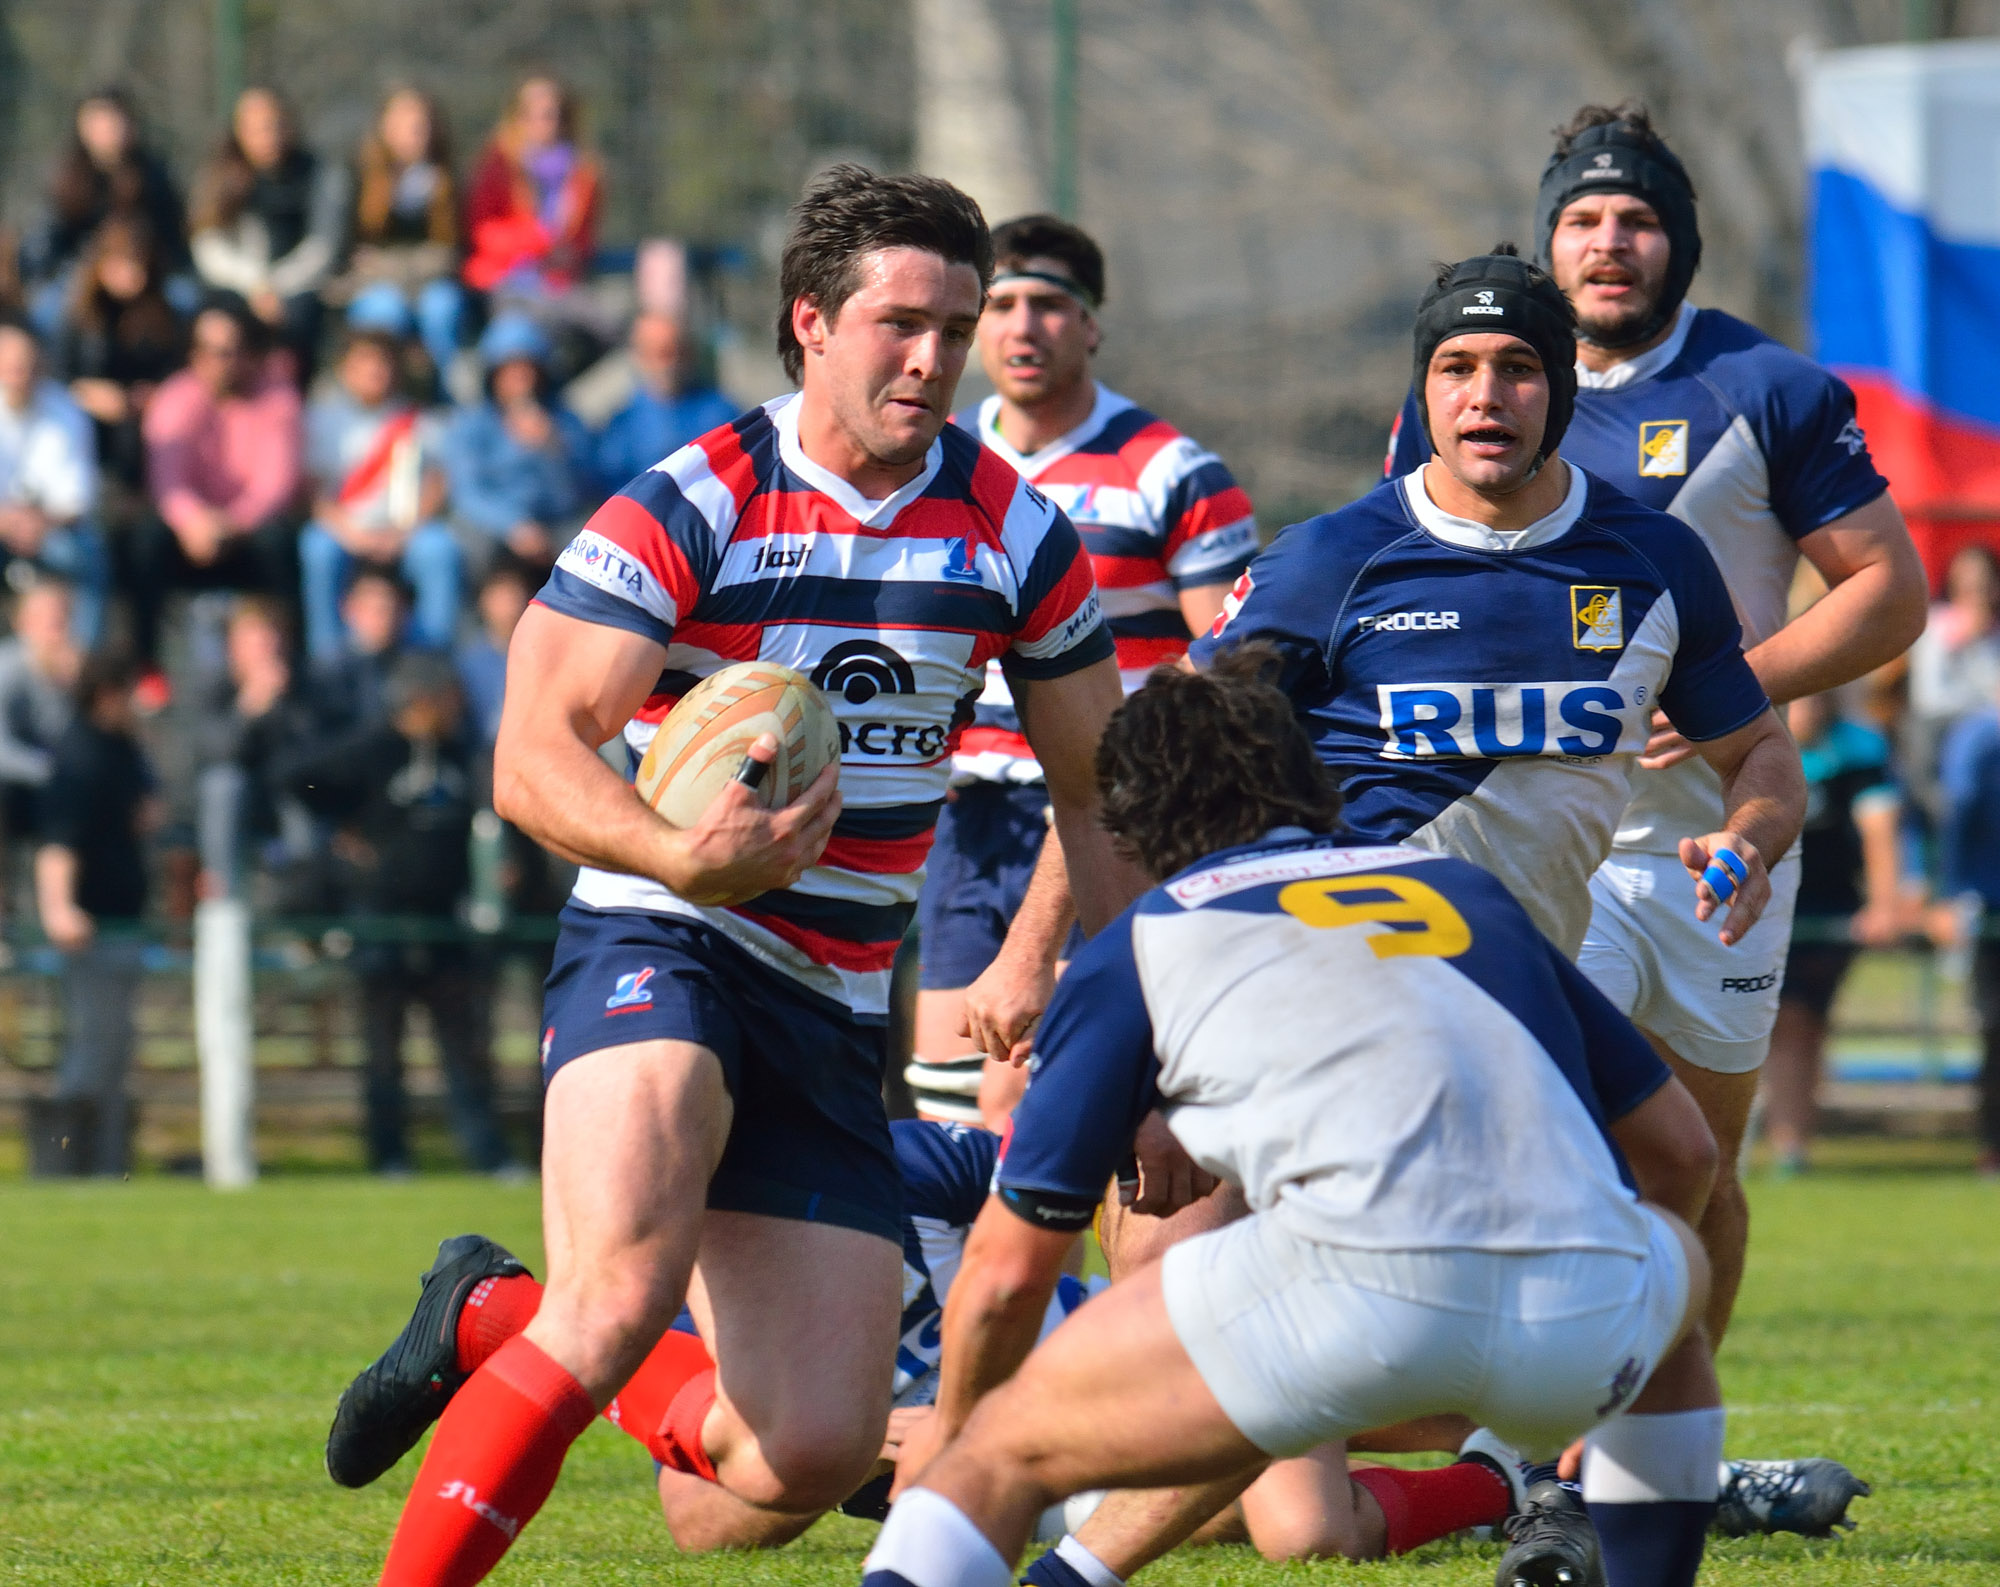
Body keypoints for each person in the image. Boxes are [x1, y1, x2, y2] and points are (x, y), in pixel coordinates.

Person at [363, 163, 1135, 1587]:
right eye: (901, 320)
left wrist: (1132, 1015)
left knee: (806, 1455)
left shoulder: (1014, 529)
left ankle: (491, 1316)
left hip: (838, 1007)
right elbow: (535, 751)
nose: (932, 356)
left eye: (952, 328)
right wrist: (678, 853)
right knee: (618, 1295)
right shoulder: (698, 498)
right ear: (811, 323)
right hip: (663, 939)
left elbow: (1099, 791)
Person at [1041, 248, 1803, 1585]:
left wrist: (1744, 837)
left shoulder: (1652, 559)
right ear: (1424, 388)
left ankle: (1546, 1473)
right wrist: (1144, 1030)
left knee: (1673, 1180)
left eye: (1516, 367)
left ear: (1563, 391)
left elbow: (1767, 762)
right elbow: (1167, 769)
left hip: (1513, 1018)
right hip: (1308, 1005)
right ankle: (928, 1465)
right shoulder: (1334, 557)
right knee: (1181, 1427)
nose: (1484, 393)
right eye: (1456, 367)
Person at [866, 651, 1725, 1587]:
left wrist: (950, 1436)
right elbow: (1682, 1151)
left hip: (1356, 1303)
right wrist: (1625, 1307)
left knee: (993, 1452)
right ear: (1311, 778)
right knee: (1670, 1300)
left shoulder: (1142, 943)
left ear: (1128, 821)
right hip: (1582, 1308)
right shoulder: (1469, 894)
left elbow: (1004, 1271)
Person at [1385, 108, 1925, 1359]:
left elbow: (1884, 587)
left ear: (1678, 245)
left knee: (1698, 1167)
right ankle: (1518, 1446)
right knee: (1542, 1142)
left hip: (1719, 845)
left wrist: (1726, 682)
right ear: (1547, 242)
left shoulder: (1766, 388)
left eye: (1636, 222)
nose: (1607, 243)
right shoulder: (1472, 378)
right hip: (1534, 843)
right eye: (1581, 220)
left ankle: (1662, 1449)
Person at [325, 1121, 1099, 1541]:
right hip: (980, 1461)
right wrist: (861, 1448)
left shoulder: (904, 1164)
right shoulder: (710, 1269)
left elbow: (1079, 1166)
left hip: (1074, 1368)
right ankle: (499, 1310)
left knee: (1212, 1473)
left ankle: (498, 1310)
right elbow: (694, 1518)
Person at [910, 214, 1258, 1127]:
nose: (1025, 328)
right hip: (964, 819)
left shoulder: (1174, 471)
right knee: (946, 1106)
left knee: (1035, 1099)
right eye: (1005, 304)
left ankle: (1080, 1275)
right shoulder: (932, 460)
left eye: (1052, 306)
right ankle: (1021, 1279)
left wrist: (1138, 774)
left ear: (1093, 324)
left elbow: (1228, 664)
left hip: (1098, 817)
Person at [281, 651, 515, 1177]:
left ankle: (486, 1153)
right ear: (420, 701)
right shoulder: (373, 749)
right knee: (383, 1052)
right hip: (381, 922)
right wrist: (342, 831)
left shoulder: (463, 754)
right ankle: (389, 1156)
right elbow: (297, 777)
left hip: (446, 924)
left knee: (465, 1048)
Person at [1762, 693, 1902, 1174]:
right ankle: (1783, 1139)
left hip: (1828, 907)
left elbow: (1880, 829)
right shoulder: (1752, 740)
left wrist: (1884, 904)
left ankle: (1791, 1144)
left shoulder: (1858, 751)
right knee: (1784, 1023)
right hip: (1764, 902)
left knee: (1802, 1021)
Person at [35, 649, 159, 1176]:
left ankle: (108, 1166)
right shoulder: (80, 753)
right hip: (92, 927)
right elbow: (59, 841)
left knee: (114, 1051)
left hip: (122, 919)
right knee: (92, 1048)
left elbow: (146, 813)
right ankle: (62, 1164)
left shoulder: (122, 748)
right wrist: (59, 907)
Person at [131, 297, 304, 677]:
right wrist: (195, 523)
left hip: (246, 532)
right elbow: (167, 482)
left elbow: (275, 485)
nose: (215, 361)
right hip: (190, 534)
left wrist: (231, 524)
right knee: (144, 541)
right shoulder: (176, 397)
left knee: (281, 542)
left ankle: (291, 665)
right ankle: (147, 668)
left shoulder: (278, 399)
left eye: (227, 351)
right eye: (205, 350)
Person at [298, 322, 460, 658]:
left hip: (404, 529)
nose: (375, 371)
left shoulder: (418, 420)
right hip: (345, 529)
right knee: (318, 548)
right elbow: (312, 491)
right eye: (364, 362)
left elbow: (437, 482)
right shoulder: (322, 418)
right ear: (346, 368)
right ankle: (327, 655)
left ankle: (432, 655)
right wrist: (351, 533)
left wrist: (403, 532)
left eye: (382, 362)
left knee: (439, 549)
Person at [189, 87, 350, 383]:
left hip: (297, 287)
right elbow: (208, 244)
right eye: (258, 129)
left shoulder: (319, 174)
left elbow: (323, 245)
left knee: (299, 326)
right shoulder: (219, 175)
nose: (269, 136)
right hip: (235, 286)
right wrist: (256, 285)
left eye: (276, 125)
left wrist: (276, 287)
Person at [20, 86, 189, 334]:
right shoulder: (65, 179)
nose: (108, 130)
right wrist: (93, 272)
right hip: (77, 275)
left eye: (115, 121)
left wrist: (140, 268)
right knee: (49, 310)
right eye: (98, 122)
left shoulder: (154, 177)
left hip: (149, 276)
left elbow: (172, 238)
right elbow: (45, 247)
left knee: (186, 300)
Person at [191, 596, 321, 905]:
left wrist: (284, 707)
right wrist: (248, 710)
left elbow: (316, 755)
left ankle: (305, 905)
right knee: (223, 785)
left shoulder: (305, 686)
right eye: (255, 636)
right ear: (232, 645)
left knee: (306, 796)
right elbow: (214, 753)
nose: (266, 646)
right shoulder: (214, 687)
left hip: (286, 793)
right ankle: (224, 902)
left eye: (272, 636)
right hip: (235, 801)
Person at [50, 213, 188, 501]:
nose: (131, 274)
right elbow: (57, 376)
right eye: (122, 263)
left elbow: (176, 372)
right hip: (89, 423)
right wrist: (88, 394)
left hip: (146, 422)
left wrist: (154, 396)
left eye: (138, 264)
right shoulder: (77, 316)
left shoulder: (166, 316)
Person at [442, 312, 593, 571]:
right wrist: (514, 526)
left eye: (528, 369)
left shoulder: (565, 421)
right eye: (510, 370)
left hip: (554, 527)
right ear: (493, 375)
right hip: (497, 530)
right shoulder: (471, 424)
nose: (521, 379)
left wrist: (552, 449)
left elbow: (576, 494)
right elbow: (468, 492)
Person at [339, 87, 466, 376]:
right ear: (384, 127)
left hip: (430, 284)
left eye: (421, 126)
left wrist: (389, 265)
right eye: (404, 124)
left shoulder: (447, 180)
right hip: (374, 286)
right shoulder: (358, 175)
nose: (414, 133)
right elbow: (353, 253)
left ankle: (444, 398)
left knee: (442, 308)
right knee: (384, 311)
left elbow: (449, 252)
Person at [1929, 676, 2000, 1177]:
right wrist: (1950, 893)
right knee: (1995, 1032)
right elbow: (1959, 812)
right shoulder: (1981, 738)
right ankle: (1993, 1147)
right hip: (1991, 906)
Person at [0, 318, 110, 642]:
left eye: (26, 363)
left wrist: (38, 523)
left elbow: (77, 498)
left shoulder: (67, 411)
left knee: (86, 554)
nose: (19, 371)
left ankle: (79, 661)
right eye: (10, 363)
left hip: (53, 531)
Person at [461, 76, 601, 312]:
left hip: (559, 283)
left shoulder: (584, 173)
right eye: (531, 115)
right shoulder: (496, 165)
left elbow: (582, 241)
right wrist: (540, 241)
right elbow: (484, 233)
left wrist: (568, 255)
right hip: (502, 280)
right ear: (516, 118)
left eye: (552, 115)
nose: (544, 123)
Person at [0, 578, 80, 926]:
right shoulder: (8, 668)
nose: (56, 624)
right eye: (47, 615)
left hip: (53, 788)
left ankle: (62, 914)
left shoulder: (75, 668)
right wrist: (50, 771)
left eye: (61, 615)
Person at [591, 311, 738, 494]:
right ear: (638, 355)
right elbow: (611, 489)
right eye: (657, 352)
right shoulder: (621, 427)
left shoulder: (722, 413)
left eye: (675, 351)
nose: (668, 363)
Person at [1904, 544, 2000, 822]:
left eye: (1983, 584)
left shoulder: (1994, 635)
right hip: (1939, 734)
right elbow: (1930, 696)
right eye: (1968, 584)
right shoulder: (1936, 627)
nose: (1976, 593)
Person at [454, 555, 534, 750]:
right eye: (500, 597)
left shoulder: (544, 658)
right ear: (484, 601)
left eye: (514, 596)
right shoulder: (467, 664)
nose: (509, 606)